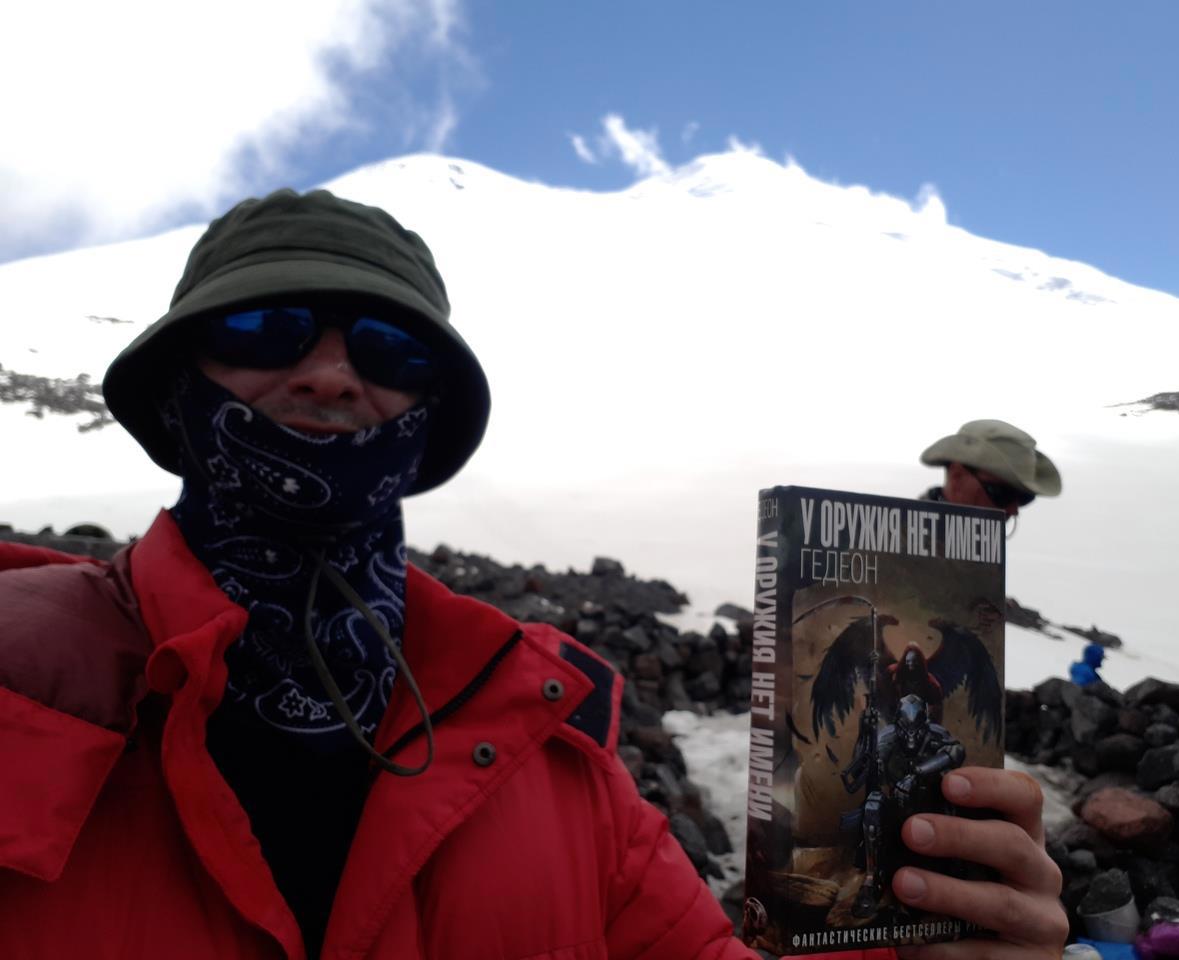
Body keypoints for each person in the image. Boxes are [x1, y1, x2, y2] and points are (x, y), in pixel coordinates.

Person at [0, 189, 1067, 958]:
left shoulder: (548, 753)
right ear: (174, 391)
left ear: (427, 423)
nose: (329, 374)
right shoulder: (21, 691)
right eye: (261, 327)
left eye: (391, 350)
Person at [920, 419, 1062, 524]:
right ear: (958, 476)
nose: (1013, 510)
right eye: (1002, 494)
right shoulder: (909, 544)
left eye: (1025, 498)